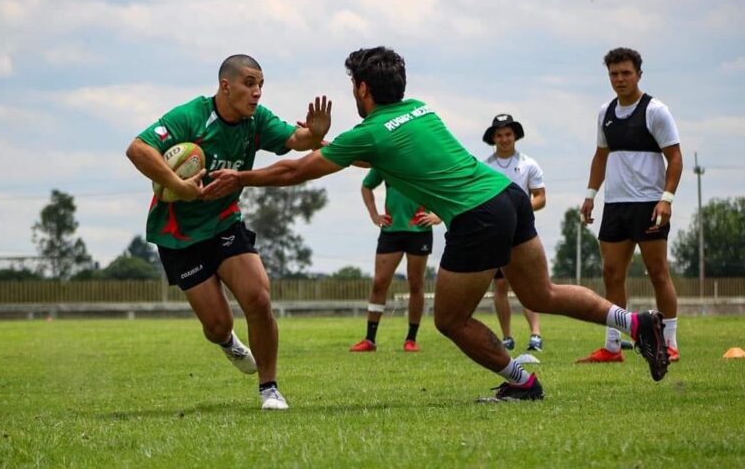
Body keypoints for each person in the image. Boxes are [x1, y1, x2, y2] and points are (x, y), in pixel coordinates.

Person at [201, 46, 670, 401]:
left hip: (477, 216)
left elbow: (295, 171)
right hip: (508, 198)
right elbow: (382, 152)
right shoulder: (420, 108)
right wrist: (321, 143)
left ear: (362, 90)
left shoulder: (367, 131)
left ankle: (522, 382)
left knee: (449, 319)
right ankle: (636, 321)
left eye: (353, 87)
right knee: (540, 294)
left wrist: (241, 176)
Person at [126, 54, 332, 410]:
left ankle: (270, 389)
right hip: (180, 235)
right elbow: (138, 148)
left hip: (224, 222)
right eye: (249, 84)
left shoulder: (257, 121)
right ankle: (228, 342)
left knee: (259, 297)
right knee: (217, 325)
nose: (257, 93)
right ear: (226, 85)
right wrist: (179, 184)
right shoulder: (192, 116)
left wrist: (314, 133)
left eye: (261, 85)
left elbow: (297, 140)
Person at [578, 47, 682, 364]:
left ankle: (669, 343)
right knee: (611, 273)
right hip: (616, 206)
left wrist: (666, 199)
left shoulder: (655, 111)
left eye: (626, 73)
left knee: (657, 273)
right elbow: (600, 156)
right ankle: (612, 347)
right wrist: (590, 194)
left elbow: (675, 157)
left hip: (649, 204)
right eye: (614, 73)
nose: (620, 79)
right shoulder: (605, 112)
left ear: (638, 74)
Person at [349, 167, 442, 353]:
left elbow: (445, 187)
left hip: (419, 231)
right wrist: (374, 215)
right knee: (379, 282)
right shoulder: (385, 161)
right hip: (391, 231)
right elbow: (366, 186)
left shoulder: (425, 161)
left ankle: (411, 339)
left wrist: (438, 216)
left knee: (416, 284)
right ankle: (370, 340)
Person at [482, 113, 545, 352]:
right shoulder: (485, 166)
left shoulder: (529, 164)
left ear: (515, 135)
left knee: (527, 285)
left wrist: (519, 208)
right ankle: (506, 336)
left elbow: (540, 197)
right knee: (500, 286)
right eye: (500, 135)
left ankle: (536, 334)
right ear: (493, 138)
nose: (504, 139)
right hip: (496, 234)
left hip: (522, 232)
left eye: (508, 134)